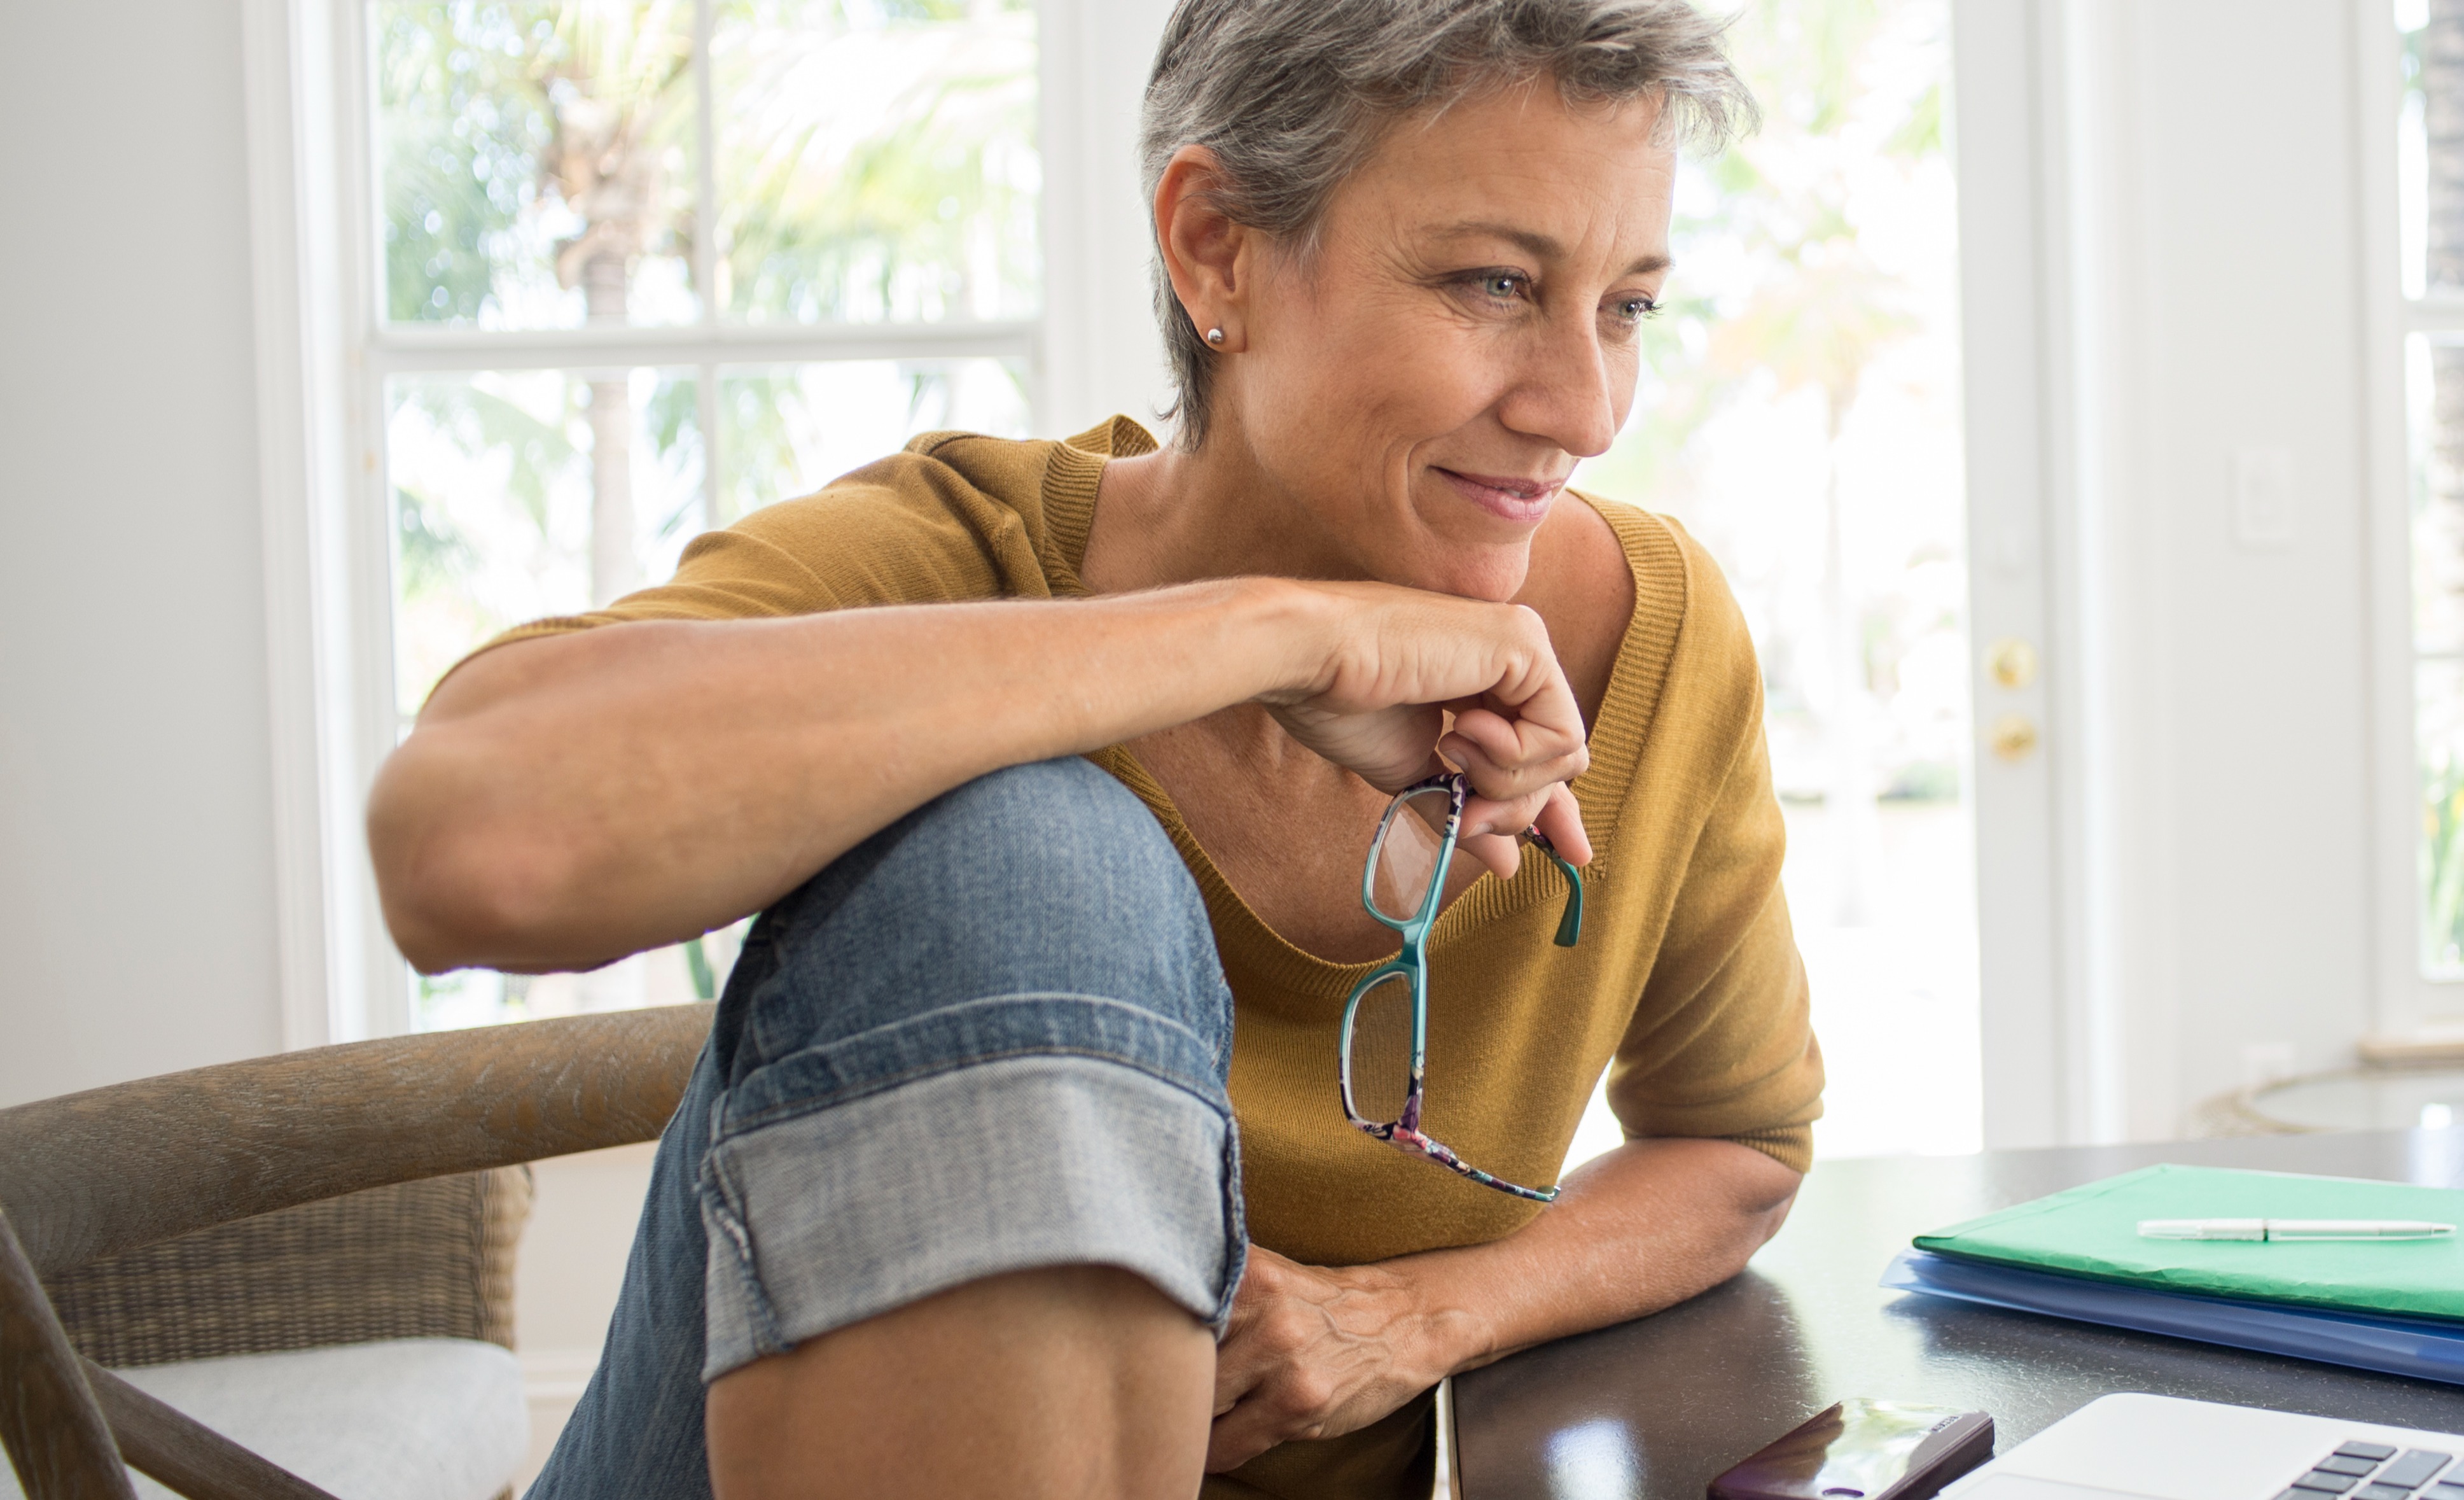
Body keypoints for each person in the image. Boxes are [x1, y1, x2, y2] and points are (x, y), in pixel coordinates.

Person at [365, 2, 1821, 1496]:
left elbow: (1737, 1147)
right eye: (1492, 282)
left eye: (1626, 305)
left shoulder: (1650, 634)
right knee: (1028, 846)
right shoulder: (955, 559)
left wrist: (1414, 1318)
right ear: (1215, 249)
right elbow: (467, 840)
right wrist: (1273, 636)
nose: (1581, 406)